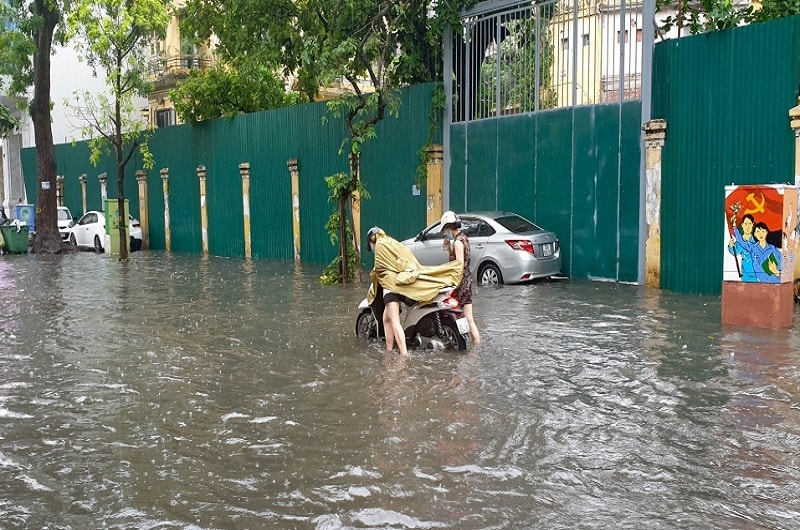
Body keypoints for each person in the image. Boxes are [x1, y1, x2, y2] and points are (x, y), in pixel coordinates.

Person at [366, 226, 463, 357]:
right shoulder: (392, 242)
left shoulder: (380, 246)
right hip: (400, 283)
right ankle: (389, 350)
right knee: (386, 318)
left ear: (372, 240)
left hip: (390, 286)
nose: (372, 248)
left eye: (370, 245)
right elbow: (404, 259)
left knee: (394, 320)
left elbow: (379, 268)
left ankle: (403, 354)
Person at [440, 211, 481, 345]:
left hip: (461, 282)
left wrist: (452, 284)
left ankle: (467, 342)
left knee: (464, 317)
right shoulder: (463, 238)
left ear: (449, 227)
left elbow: (459, 266)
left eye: (445, 229)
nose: (445, 232)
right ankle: (476, 345)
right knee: (468, 318)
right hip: (467, 281)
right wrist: (449, 248)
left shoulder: (458, 243)